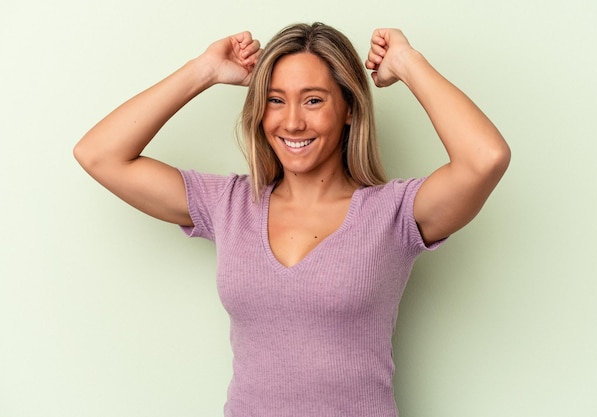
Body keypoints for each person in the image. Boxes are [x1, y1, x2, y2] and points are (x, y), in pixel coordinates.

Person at [74, 22, 510, 417]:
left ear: (350, 110)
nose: (293, 122)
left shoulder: (394, 213)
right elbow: (99, 155)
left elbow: (484, 159)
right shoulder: (228, 203)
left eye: (314, 100)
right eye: (275, 100)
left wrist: (407, 63)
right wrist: (203, 71)